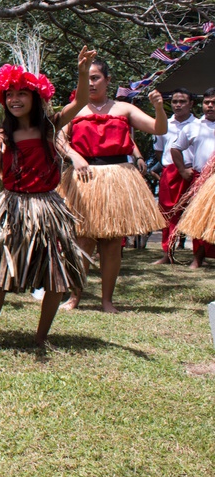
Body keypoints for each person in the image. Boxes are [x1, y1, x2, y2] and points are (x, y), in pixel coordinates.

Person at [0, 45, 94, 356]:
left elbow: (81, 101)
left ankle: (40, 337)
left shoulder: (50, 127)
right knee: (0, 276)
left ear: (37, 96)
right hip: (13, 207)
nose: (15, 99)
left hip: (48, 207)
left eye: (22, 92)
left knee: (55, 277)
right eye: (9, 94)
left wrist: (80, 73)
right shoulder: (3, 132)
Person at [58, 58, 167, 313]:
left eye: (96, 78)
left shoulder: (124, 108)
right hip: (84, 177)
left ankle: (107, 300)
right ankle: (74, 296)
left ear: (108, 80)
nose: (91, 83)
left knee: (111, 242)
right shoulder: (75, 109)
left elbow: (158, 128)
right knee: (82, 240)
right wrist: (74, 155)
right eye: (87, 78)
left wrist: (159, 108)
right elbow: (58, 140)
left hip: (117, 177)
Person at [171, 87, 215, 268]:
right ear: (202, 104)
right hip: (202, 180)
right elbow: (175, 148)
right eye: (207, 103)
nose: (210, 106)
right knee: (200, 220)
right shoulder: (194, 126)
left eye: (214, 103)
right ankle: (197, 259)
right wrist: (182, 170)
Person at [152, 88, 196, 264]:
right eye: (175, 101)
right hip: (170, 172)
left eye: (182, 101)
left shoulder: (200, 124)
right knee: (167, 214)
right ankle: (167, 253)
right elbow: (159, 151)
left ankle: (199, 255)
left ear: (191, 104)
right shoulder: (164, 124)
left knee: (198, 212)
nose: (178, 105)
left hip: (194, 172)